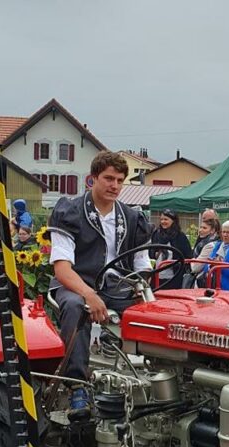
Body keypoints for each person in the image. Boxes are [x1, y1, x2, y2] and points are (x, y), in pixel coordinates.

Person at [48, 151, 151, 415]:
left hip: (118, 286)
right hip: (75, 283)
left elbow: (141, 264)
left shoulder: (132, 217)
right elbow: (62, 269)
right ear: (92, 179)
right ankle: (77, 385)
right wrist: (89, 294)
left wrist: (147, 296)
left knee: (152, 316)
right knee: (75, 307)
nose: (114, 185)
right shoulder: (70, 211)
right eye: (108, 178)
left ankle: (152, 377)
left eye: (119, 180)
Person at [150, 209, 192, 289]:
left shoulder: (180, 236)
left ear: (173, 220)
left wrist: (173, 263)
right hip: (157, 276)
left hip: (174, 277)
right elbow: (150, 251)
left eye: (166, 219)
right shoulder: (156, 234)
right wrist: (154, 254)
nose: (163, 222)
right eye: (161, 219)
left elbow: (187, 256)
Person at [188, 218, 219, 288]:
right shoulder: (202, 242)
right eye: (200, 227)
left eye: (204, 228)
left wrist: (192, 260)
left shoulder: (210, 245)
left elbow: (196, 267)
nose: (200, 230)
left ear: (212, 230)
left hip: (203, 281)